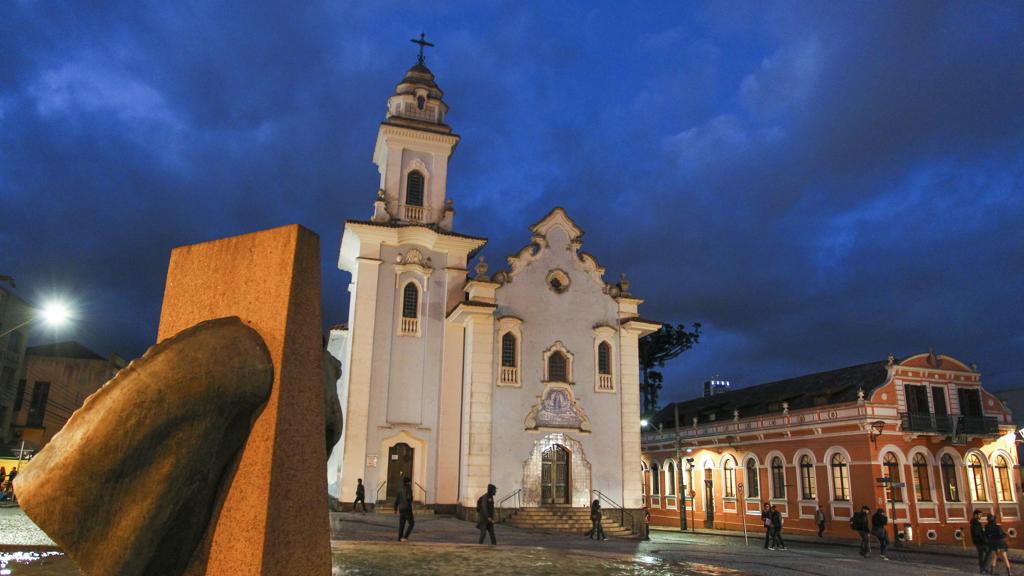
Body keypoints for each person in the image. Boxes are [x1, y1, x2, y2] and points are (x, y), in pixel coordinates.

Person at [394, 477, 414, 541]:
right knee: (411, 523)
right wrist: (411, 499)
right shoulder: (408, 489)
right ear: (408, 482)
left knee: (401, 524)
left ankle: (400, 538)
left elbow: (396, 500)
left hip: (401, 508)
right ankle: (405, 537)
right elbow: (409, 498)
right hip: (407, 508)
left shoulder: (399, 489)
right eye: (410, 482)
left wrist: (395, 508)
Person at [971, 509, 990, 574]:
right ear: (975, 515)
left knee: (983, 555)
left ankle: (983, 568)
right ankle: (983, 569)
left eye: (981, 515)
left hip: (979, 541)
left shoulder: (975, 522)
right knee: (984, 555)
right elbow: (977, 533)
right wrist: (984, 540)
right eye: (979, 515)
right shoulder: (975, 523)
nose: (980, 516)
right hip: (980, 542)